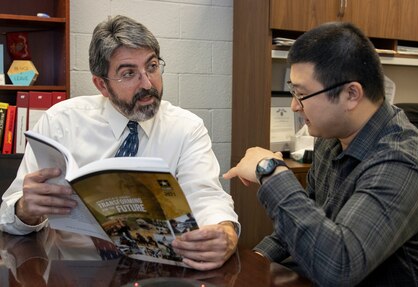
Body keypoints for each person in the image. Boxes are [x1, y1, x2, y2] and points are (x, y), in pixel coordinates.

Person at [0, 15, 239, 271]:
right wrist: (26, 208)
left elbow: (206, 196)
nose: (147, 83)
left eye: (152, 66)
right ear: (101, 84)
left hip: (162, 272)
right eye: (129, 73)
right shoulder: (60, 121)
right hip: (74, 269)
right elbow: (8, 213)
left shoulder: (186, 127)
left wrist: (224, 230)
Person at [224, 22, 418, 286]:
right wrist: (254, 260)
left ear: (351, 94)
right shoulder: (330, 139)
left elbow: (339, 267)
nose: (294, 106)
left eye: (303, 94)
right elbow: (306, 223)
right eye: (293, 91)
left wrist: (271, 171)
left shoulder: (402, 160)